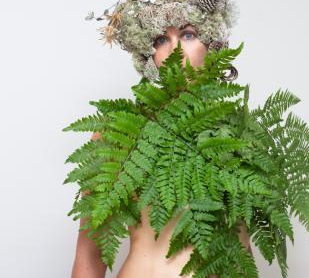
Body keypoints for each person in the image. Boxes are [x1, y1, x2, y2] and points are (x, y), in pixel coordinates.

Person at [71, 24, 253, 278]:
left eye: (188, 35)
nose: (175, 50)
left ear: (213, 44)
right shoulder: (119, 134)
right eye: (161, 39)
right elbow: (90, 253)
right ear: (148, 53)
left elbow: (240, 250)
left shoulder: (239, 134)